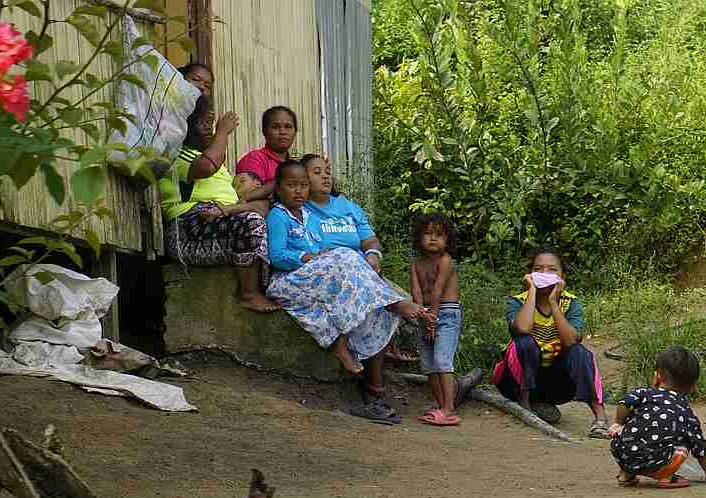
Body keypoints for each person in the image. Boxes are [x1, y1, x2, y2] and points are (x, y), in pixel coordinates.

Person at [266, 159, 429, 424]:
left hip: (324, 274)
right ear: (279, 188)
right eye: (294, 185)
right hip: (294, 277)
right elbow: (278, 255)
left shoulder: (309, 215)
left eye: (303, 185)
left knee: (376, 310)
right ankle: (392, 302)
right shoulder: (279, 215)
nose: (299, 190)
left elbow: (343, 245)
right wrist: (308, 257)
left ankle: (374, 393)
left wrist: (360, 257)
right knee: (346, 255)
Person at [159, 95, 278, 313]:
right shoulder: (175, 156)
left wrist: (229, 209)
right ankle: (249, 294)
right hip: (187, 230)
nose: (209, 128)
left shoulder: (220, 169)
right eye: (203, 122)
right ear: (183, 124)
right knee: (250, 223)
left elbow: (257, 204)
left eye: (211, 123)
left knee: (276, 218)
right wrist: (222, 131)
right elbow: (207, 166)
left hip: (218, 218)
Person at [491, 248, 610, 438]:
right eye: (538, 269)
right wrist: (532, 291)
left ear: (562, 276)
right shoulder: (517, 302)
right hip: (515, 382)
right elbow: (523, 328)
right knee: (524, 342)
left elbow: (570, 340)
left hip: (556, 384)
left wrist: (553, 302)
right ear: (530, 274)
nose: (545, 274)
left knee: (580, 352)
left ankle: (600, 417)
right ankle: (525, 404)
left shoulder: (571, 303)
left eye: (552, 270)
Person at [609, 346, 706, 489]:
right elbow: (700, 448)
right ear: (694, 386)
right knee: (685, 441)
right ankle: (666, 476)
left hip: (624, 456)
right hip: (658, 464)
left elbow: (624, 403)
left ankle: (626, 475)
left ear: (658, 376)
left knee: (631, 427)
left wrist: (618, 423)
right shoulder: (686, 413)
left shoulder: (643, 393)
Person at [409, 213, 481, 426]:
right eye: (428, 233)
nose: (433, 238)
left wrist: (432, 316)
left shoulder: (445, 261)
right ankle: (442, 405)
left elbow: (438, 290)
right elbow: (416, 291)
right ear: (419, 237)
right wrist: (422, 314)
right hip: (424, 314)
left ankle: (449, 409)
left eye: (439, 235)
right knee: (428, 365)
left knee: (442, 361)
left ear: (447, 240)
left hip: (446, 313)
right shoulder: (415, 263)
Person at [235, 105, 298, 197]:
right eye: (276, 127)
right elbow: (249, 198)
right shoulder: (254, 159)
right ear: (264, 131)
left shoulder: (297, 165)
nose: (283, 132)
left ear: (295, 132)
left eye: (288, 127)